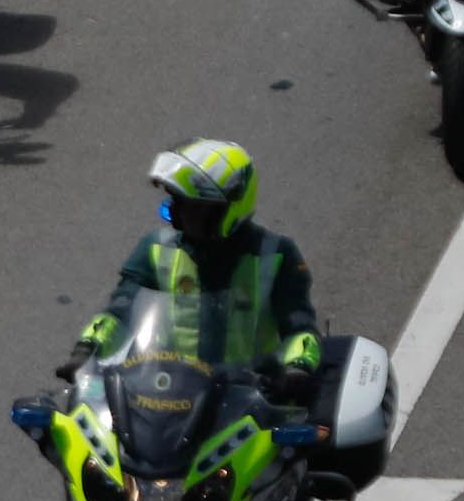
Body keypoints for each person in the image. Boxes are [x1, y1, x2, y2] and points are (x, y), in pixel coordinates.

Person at [73, 139, 323, 401]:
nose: (178, 215)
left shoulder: (276, 255)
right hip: (165, 395)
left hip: (249, 399)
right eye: (177, 202)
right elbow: (121, 309)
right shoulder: (156, 249)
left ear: (227, 209)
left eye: (191, 206)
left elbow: (300, 328)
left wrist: (298, 368)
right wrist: (87, 347)